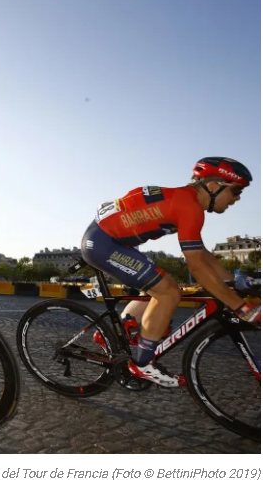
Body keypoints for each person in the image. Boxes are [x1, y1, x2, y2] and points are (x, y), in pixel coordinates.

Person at [81, 157, 260, 387]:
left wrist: (231, 278)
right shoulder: (189, 207)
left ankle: (120, 329)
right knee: (169, 291)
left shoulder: (187, 201)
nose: (237, 198)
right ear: (214, 186)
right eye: (236, 190)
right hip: (103, 243)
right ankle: (143, 365)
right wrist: (241, 307)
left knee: (162, 284)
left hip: (111, 239)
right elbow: (196, 267)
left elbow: (202, 254)